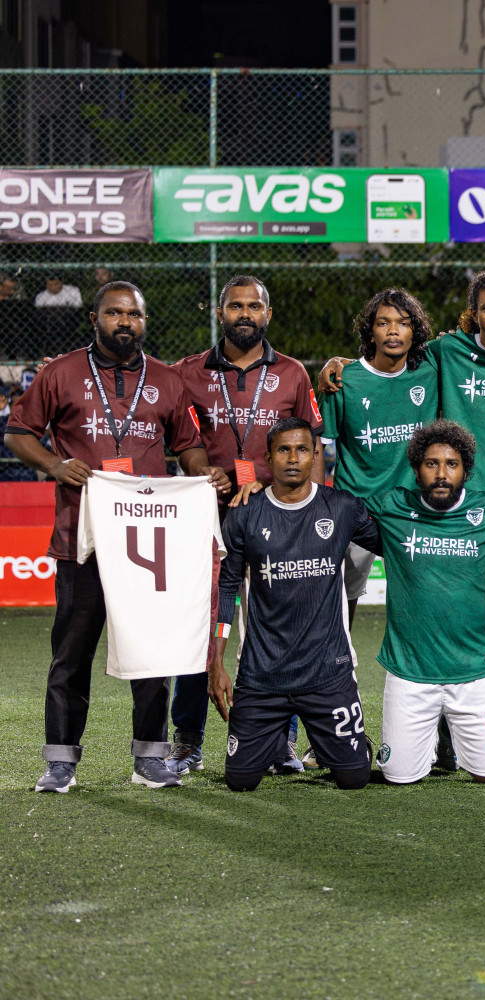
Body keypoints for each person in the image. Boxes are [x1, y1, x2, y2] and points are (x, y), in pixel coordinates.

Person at [319, 269, 485, 765]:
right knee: (343, 617)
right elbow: (371, 375)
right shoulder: (445, 352)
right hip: (409, 510)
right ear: (473, 313)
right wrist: (339, 363)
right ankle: (340, 729)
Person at [4, 281, 228, 792]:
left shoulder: (167, 380)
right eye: (114, 313)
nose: (125, 321)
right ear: (94, 319)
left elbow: (188, 446)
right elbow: (18, 433)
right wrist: (55, 465)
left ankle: (150, 757)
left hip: (149, 542)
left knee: (153, 651)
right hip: (81, 539)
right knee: (72, 654)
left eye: (134, 314)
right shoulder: (61, 373)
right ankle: (60, 761)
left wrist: (202, 473)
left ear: (144, 320)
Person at [167, 275, 323, 776]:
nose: (245, 314)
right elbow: (180, 436)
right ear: (221, 313)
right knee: (201, 628)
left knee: (278, 630)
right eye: (235, 306)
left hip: (276, 518)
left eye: (254, 306)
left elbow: (312, 447)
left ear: (267, 314)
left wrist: (308, 509)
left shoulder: (293, 373)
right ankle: (187, 741)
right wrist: (200, 470)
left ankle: (281, 742)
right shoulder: (187, 372)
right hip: (208, 517)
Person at [211, 419, 382, 791]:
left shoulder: (341, 507)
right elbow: (226, 587)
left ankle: (340, 742)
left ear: (315, 456)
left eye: (302, 449)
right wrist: (216, 660)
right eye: (284, 450)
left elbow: (394, 544)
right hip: (262, 674)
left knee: (354, 778)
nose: (293, 458)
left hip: (327, 672)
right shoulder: (245, 512)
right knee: (240, 781)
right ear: (268, 457)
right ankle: (275, 739)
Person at [366, 420, 485, 786]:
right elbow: (332, 508)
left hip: (475, 673)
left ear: (466, 469)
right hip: (409, 673)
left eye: (452, 464)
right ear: (417, 468)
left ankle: (448, 740)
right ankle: (429, 742)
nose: (441, 474)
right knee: (399, 778)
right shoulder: (392, 506)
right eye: (431, 463)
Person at [317, 287, 438, 626]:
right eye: (383, 323)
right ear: (371, 331)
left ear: (415, 330)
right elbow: (319, 444)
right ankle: (342, 653)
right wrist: (318, 504)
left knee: (421, 595)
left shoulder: (432, 369)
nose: (393, 331)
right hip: (356, 507)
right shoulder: (343, 380)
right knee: (343, 598)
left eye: (403, 323)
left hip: (411, 506)